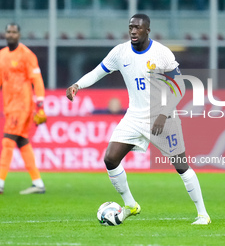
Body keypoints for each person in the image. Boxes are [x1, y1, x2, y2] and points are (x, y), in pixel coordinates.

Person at [66, 14, 211, 225]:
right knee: (110, 159)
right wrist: (77, 85)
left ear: (147, 30)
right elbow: (98, 72)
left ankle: (203, 214)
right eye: (131, 27)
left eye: (138, 28)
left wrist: (163, 114)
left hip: (163, 117)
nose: (133, 31)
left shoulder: (161, 53)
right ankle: (131, 205)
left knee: (181, 165)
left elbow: (180, 87)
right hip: (134, 116)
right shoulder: (120, 52)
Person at [0, 23, 47, 195]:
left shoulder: (26, 55)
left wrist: (40, 104)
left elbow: (37, 79)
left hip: (22, 105)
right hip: (9, 105)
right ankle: (38, 183)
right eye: (8, 32)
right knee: (22, 142)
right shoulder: (2, 55)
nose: (10, 35)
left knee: (8, 141)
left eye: (14, 32)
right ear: (5, 34)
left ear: (19, 34)